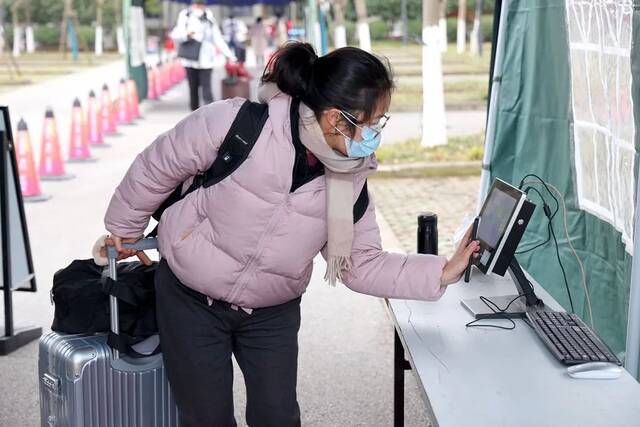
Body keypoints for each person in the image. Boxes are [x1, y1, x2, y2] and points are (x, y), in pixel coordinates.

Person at [103, 42, 480, 427]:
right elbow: (157, 165)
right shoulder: (238, 124)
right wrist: (123, 229)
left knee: (278, 417)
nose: (376, 133)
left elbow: (361, 265)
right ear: (336, 118)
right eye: (374, 121)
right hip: (190, 298)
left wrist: (441, 272)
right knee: (206, 417)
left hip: (272, 312)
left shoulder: (350, 178)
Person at [170, 0, 236, 111]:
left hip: (206, 60)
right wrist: (187, 34)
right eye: (197, 3)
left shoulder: (209, 17)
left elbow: (217, 38)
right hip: (190, 59)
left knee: (207, 90)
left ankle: (210, 115)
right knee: (193, 89)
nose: (199, 6)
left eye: (201, 3)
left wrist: (229, 55)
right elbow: (175, 34)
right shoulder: (185, 15)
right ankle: (194, 115)